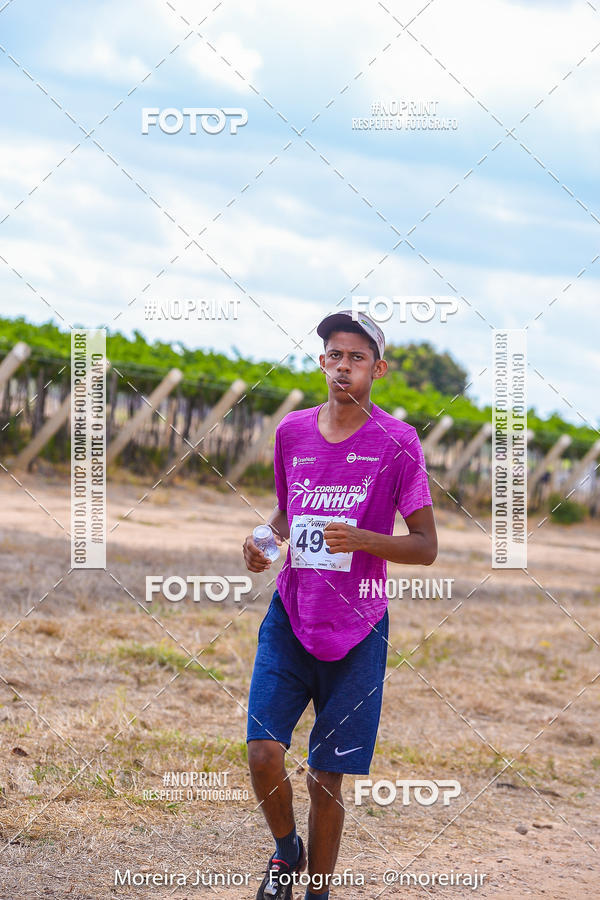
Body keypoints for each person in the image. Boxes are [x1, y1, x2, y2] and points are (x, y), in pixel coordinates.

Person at [242, 310, 438, 899]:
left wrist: (364, 541)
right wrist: (263, 542)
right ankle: (285, 852)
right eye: (334, 354)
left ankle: (318, 893)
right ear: (321, 361)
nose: (343, 366)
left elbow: (426, 547)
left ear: (377, 368)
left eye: (357, 357)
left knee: (327, 780)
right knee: (262, 754)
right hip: (290, 615)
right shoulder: (291, 432)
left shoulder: (398, 442)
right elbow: (286, 515)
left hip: (358, 627)